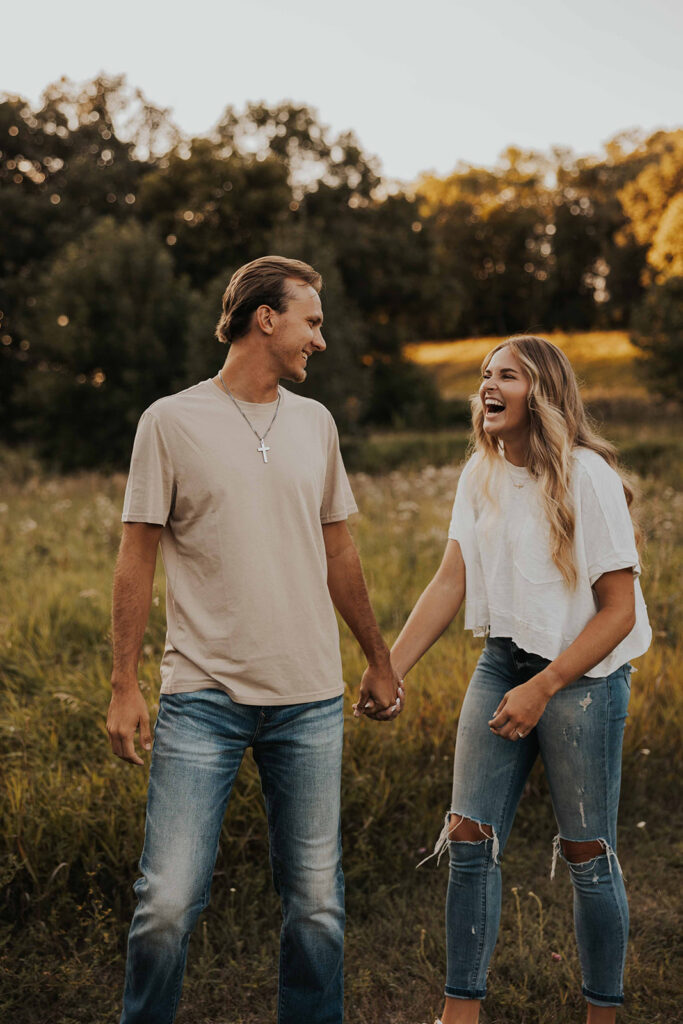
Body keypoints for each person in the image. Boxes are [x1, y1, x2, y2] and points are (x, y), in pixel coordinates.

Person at [107, 255, 403, 1024]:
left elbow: (340, 551)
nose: (321, 340)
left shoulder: (316, 423)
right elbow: (136, 552)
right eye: (312, 321)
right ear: (264, 318)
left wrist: (377, 658)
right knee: (166, 903)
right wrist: (124, 684)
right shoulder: (169, 421)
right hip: (202, 697)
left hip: (308, 697)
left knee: (315, 907)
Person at [376, 336, 651, 1024]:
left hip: (582, 677)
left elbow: (617, 613)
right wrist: (389, 669)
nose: (486, 386)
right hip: (502, 662)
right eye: (482, 376)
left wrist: (546, 687)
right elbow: (450, 580)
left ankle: (602, 1013)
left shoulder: (586, 476)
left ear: (542, 393)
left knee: (588, 853)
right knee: (468, 837)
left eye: (506, 375)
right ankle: (458, 1014)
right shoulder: (481, 473)